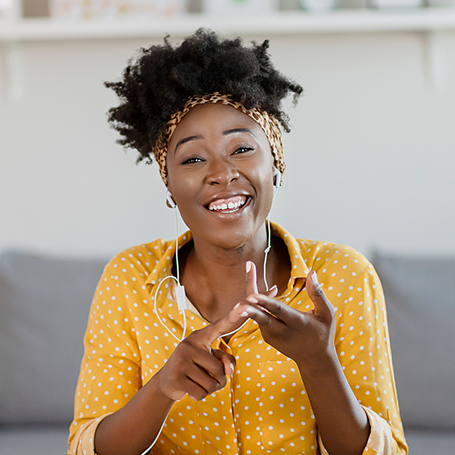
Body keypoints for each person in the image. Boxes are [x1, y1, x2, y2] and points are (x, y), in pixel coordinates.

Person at [68, 29, 408, 455]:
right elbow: (84, 448)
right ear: (168, 184)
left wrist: (318, 363)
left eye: (242, 149)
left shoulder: (344, 276)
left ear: (275, 163)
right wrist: (162, 387)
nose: (221, 172)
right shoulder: (129, 280)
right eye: (193, 158)